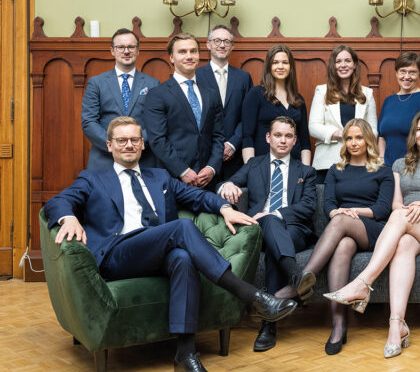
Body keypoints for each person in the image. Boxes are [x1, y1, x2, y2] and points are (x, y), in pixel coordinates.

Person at [43, 116, 297, 372]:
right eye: (122, 141)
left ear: (143, 144)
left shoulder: (160, 177)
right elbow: (57, 202)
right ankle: (252, 296)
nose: (128, 145)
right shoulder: (92, 179)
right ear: (110, 145)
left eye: (134, 140)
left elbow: (196, 195)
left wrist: (224, 207)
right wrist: (69, 217)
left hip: (158, 254)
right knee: (183, 227)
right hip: (117, 254)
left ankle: (185, 356)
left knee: (183, 259)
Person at [325, 110, 420, 358]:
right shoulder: (399, 163)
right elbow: (396, 204)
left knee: (400, 218)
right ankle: (396, 326)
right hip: (409, 224)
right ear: (413, 133)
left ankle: (363, 283)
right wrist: (408, 210)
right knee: (403, 246)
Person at [218, 116, 317, 353]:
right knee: (271, 231)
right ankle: (294, 279)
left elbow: (308, 206)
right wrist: (227, 186)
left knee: (273, 228)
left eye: (288, 136)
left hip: (294, 229)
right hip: (257, 229)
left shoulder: (306, 171)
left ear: (295, 141)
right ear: (268, 138)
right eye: (278, 135)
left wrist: (276, 214)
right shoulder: (253, 165)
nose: (283, 140)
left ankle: (268, 325)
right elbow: (225, 184)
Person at [298, 118, 393, 355]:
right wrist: (339, 213)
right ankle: (339, 325)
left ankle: (301, 280)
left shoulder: (383, 170)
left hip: (372, 229)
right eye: (349, 138)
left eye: (359, 137)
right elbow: (328, 205)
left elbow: (382, 210)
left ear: (368, 139)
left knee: (340, 220)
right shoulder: (336, 169)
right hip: (344, 231)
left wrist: (351, 213)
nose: (353, 142)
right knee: (342, 246)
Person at [144, 32, 225, 190]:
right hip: (173, 179)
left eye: (193, 51)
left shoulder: (211, 94)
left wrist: (211, 168)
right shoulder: (157, 94)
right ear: (171, 58)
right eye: (182, 52)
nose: (189, 56)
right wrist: (182, 170)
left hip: (207, 180)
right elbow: (158, 140)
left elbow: (218, 136)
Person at [81, 28, 160, 171]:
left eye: (131, 47)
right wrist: (114, 144)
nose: (126, 51)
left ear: (137, 51)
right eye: (121, 47)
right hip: (105, 160)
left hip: (143, 160)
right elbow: (89, 122)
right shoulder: (96, 83)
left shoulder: (153, 84)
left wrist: (137, 144)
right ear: (112, 51)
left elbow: (157, 123)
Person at [309, 45, 378, 183]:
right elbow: (313, 127)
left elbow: (373, 131)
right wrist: (342, 133)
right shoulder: (322, 91)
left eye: (347, 61)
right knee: (326, 203)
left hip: (360, 163)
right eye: (338, 61)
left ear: (354, 65)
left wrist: (356, 139)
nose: (343, 65)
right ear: (333, 66)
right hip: (326, 163)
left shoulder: (367, 93)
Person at [197, 25, 254, 180]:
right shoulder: (196, 76)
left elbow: (248, 116)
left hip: (235, 157)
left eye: (226, 41)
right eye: (217, 41)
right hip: (204, 156)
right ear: (208, 45)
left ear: (232, 46)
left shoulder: (243, 77)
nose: (222, 45)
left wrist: (233, 143)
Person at [241, 44, 311, 165]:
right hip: (262, 167)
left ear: (290, 67)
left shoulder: (298, 99)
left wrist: (305, 172)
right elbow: (247, 137)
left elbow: (305, 142)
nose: (280, 66)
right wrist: (251, 170)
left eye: (285, 62)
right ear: (269, 66)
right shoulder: (256, 94)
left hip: (294, 168)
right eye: (275, 62)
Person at [377, 51, 420, 166]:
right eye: (402, 71)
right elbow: (382, 136)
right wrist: (382, 158)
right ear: (396, 73)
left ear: (419, 74)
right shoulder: (389, 101)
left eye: (412, 72)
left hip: (414, 166)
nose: (406, 77)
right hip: (387, 168)